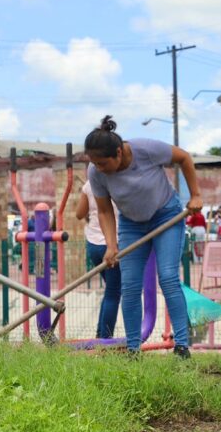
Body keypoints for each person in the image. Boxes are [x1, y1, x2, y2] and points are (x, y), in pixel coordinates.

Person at [85, 116, 203, 357]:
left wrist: (196, 195)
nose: (99, 168)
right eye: (94, 163)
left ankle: (182, 346)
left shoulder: (146, 150)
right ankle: (133, 350)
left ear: (119, 152)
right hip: (131, 225)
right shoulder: (95, 172)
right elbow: (105, 211)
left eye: (103, 163)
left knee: (168, 277)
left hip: (166, 217)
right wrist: (111, 245)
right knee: (129, 286)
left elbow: (184, 158)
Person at [75, 179, 123, 338]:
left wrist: (93, 208)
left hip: (94, 244)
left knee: (110, 290)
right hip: (113, 244)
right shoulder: (119, 180)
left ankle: (100, 334)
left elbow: (79, 214)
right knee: (113, 292)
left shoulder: (90, 184)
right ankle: (105, 338)